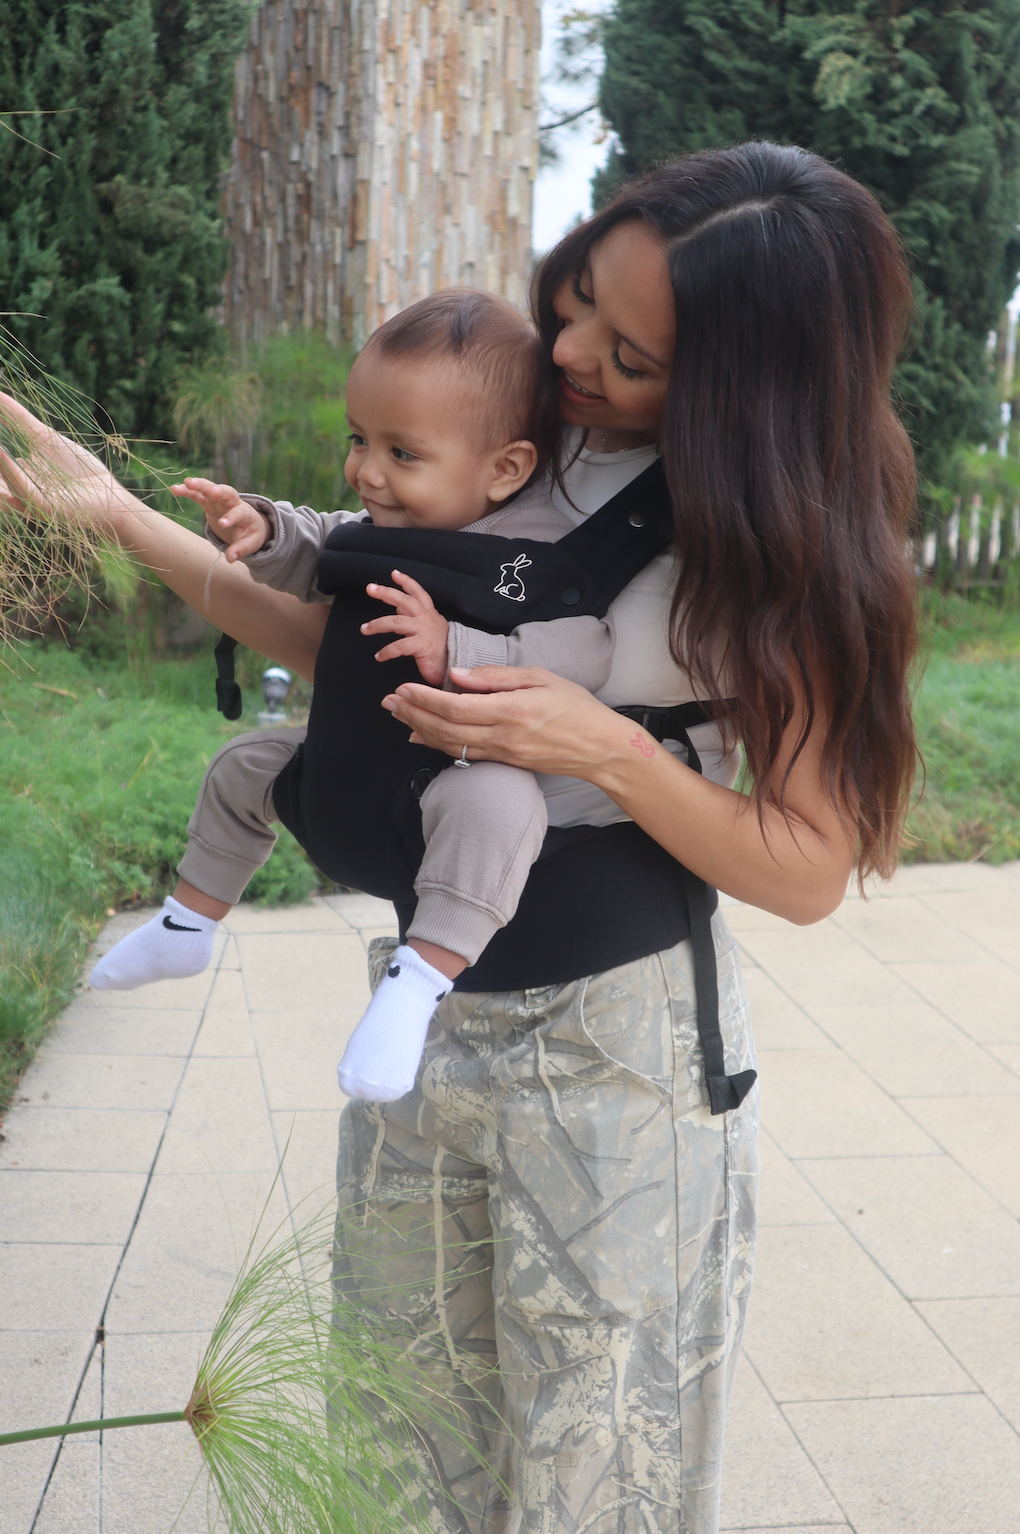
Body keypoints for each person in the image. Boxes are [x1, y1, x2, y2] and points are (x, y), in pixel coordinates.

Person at [0, 142, 918, 1534]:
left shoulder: (775, 545)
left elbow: (804, 870)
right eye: (578, 298)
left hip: (618, 1056)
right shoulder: (519, 434)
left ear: (746, 387)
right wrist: (121, 520)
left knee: (597, 1472)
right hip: (428, 1023)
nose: (572, 353)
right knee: (394, 1448)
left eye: (634, 354)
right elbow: (347, 655)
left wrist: (599, 744)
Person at [86, 288, 664, 1104]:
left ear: (505, 468)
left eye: (403, 453)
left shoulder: (526, 552)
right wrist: (262, 529)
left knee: (503, 805)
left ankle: (416, 985)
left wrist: (454, 645)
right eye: (359, 440)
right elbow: (321, 543)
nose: (367, 471)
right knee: (244, 766)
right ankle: (187, 922)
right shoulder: (381, 527)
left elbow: (585, 646)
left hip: (435, 798)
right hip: (342, 779)